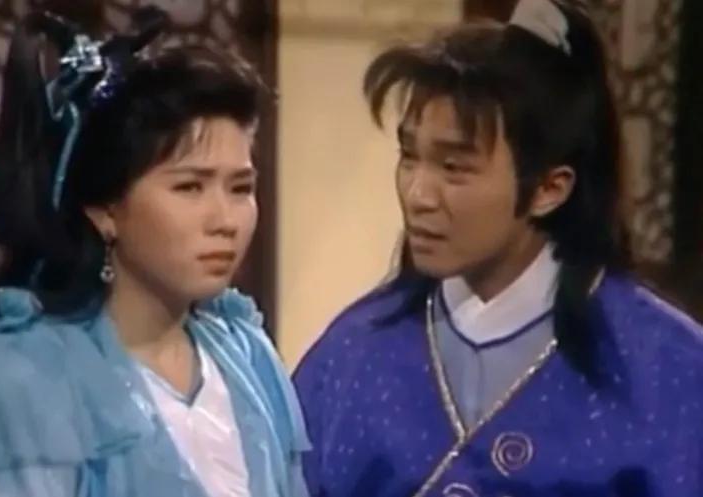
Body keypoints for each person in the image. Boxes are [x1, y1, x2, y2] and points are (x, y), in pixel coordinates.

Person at [293, 1, 703, 496]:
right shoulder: (352, 351)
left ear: (549, 188)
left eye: (454, 168)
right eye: (409, 156)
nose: (418, 194)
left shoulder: (668, 366)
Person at [0, 8, 308, 497]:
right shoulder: (23, 378)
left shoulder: (248, 358)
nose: (225, 220)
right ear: (105, 210)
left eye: (240, 188)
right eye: (190, 187)